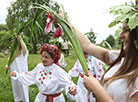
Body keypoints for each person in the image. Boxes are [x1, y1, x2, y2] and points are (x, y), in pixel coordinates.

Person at [66, 17, 138, 102]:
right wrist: (66, 21)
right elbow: (87, 46)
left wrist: (96, 89)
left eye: (126, 30)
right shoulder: (119, 57)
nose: (120, 36)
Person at [10, 43, 80, 102]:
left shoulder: (58, 71)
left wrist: (72, 88)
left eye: (46, 57)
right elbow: (31, 75)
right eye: (42, 56)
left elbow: (68, 82)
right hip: (41, 98)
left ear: (53, 59)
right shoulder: (39, 67)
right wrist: (18, 75)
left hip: (55, 100)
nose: (43, 59)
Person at [5, 34, 29, 102]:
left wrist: (20, 39)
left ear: (19, 47)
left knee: (23, 89)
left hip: (22, 76)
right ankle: (18, 100)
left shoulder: (23, 54)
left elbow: (25, 49)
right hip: (14, 76)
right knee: (16, 89)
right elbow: (9, 65)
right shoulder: (11, 56)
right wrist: (7, 67)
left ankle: (25, 100)